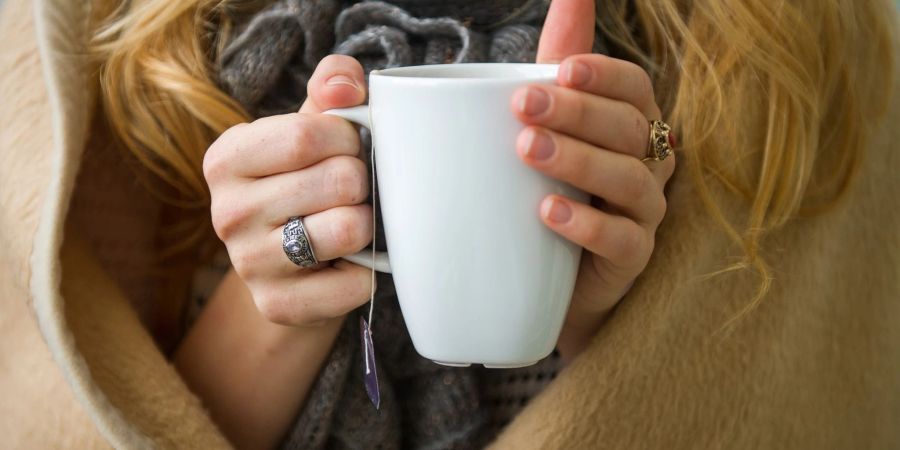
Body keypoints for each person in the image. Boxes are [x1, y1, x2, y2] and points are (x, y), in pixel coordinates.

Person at [0, 0, 897, 448]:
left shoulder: (790, 47)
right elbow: (102, 418)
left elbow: (785, 402)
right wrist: (291, 280)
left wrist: (606, 309)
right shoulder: (105, 44)